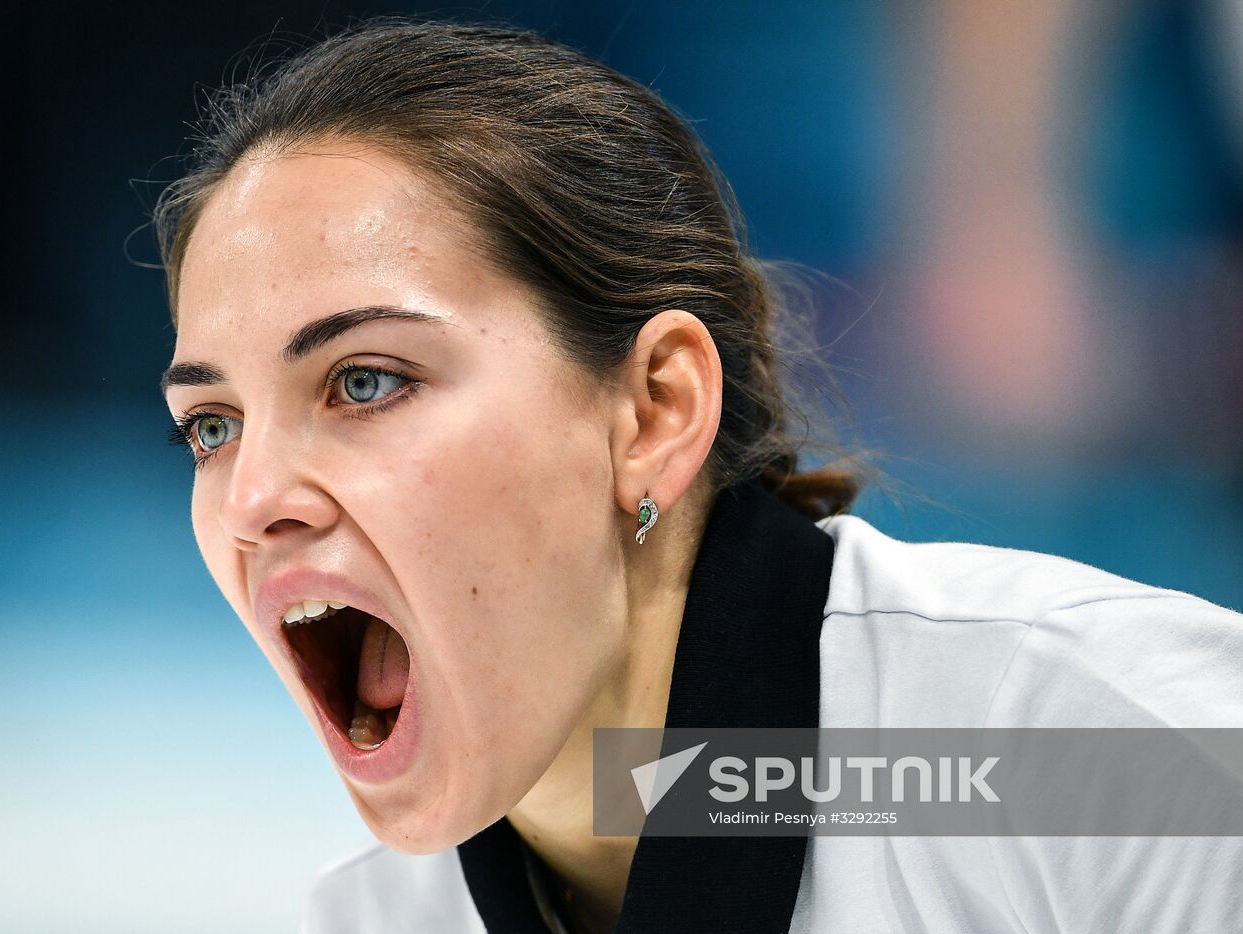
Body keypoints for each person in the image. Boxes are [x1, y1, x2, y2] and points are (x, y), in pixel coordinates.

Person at [152, 17, 1243, 933]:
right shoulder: (375, 919)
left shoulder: (1101, 758)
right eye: (210, 427)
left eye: (365, 382)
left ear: (655, 410)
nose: (252, 499)